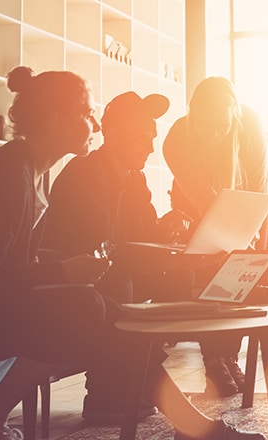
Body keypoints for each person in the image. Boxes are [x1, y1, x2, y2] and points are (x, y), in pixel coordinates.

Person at [0, 67, 264, 440]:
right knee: (91, 309)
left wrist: (63, 274)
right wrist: (62, 272)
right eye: (87, 114)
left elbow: (7, 272)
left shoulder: (29, 172)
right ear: (58, 120)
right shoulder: (6, 178)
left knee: (101, 309)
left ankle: (187, 425)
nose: (95, 123)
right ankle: (186, 425)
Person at [41, 90, 185, 425]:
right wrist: (149, 244)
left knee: (182, 277)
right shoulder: (83, 173)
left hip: (114, 272)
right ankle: (106, 393)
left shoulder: (136, 179)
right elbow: (98, 245)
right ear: (114, 133)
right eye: (142, 138)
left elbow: (145, 235)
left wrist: (168, 231)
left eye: (152, 138)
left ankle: (128, 382)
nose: (150, 148)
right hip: (73, 284)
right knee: (121, 279)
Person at [162, 75, 268, 398]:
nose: (212, 133)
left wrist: (254, 251)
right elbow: (202, 202)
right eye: (205, 124)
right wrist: (231, 242)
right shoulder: (176, 139)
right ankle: (213, 359)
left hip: (242, 201)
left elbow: (260, 190)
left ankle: (229, 356)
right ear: (192, 114)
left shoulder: (250, 125)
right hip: (195, 207)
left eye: (221, 125)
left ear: (233, 115)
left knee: (241, 274)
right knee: (212, 273)